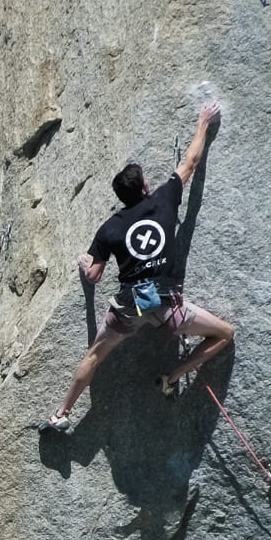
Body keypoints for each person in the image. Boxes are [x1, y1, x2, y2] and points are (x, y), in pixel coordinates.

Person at [42, 102, 234, 431]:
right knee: (225, 334)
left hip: (131, 305)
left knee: (94, 356)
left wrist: (86, 262)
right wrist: (203, 123)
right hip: (164, 303)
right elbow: (191, 161)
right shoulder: (163, 199)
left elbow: (94, 276)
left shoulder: (110, 229)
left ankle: (61, 414)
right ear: (145, 187)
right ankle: (171, 377)